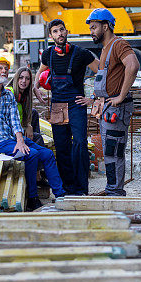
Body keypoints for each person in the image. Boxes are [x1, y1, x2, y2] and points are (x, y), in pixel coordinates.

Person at [0, 57, 65, 211]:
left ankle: (61, 196)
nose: (4, 71)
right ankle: (32, 198)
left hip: (11, 139)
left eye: (6, 69)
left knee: (47, 154)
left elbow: (14, 121)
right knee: (31, 154)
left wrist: (20, 140)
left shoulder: (8, 95)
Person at [34, 19, 99, 195]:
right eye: (55, 31)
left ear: (67, 31)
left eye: (62, 30)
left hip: (76, 104)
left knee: (79, 144)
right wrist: (35, 87)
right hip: (57, 106)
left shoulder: (81, 54)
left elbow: (102, 72)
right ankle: (68, 189)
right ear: (51, 36)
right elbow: (40, 72)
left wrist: (93, 98)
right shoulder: (48, 55)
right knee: (62, 147)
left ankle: (81, 189)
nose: (59, 34)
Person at [86, 8, 140, 196]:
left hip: (117, 108)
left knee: (114, 151)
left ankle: (115, 192)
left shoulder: (118, 44)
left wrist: (121, 96)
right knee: (109, 152)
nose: (91, 31)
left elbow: (133, 65)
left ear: (106, 26)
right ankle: (112, 189)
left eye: (94, 27)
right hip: (107, 108)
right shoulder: (105, 49)